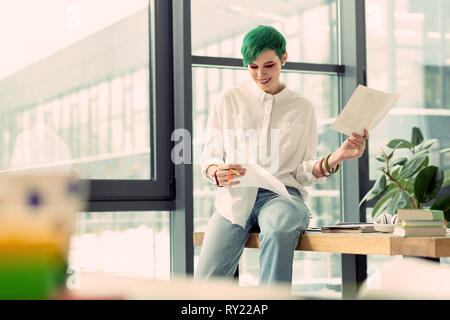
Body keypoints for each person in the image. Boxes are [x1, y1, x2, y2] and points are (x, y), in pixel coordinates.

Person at [195, 25, 369, 285]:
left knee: (277, 230)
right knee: (204, 284)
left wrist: (337, 156)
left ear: (283, 58)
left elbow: (302, 171)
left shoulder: (303, 108)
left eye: (269, 65)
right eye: (253, 67)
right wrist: (215, 171)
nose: (261, 74)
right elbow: (209, 157)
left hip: (282, 196)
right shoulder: (228, 99)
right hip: (234, 198)